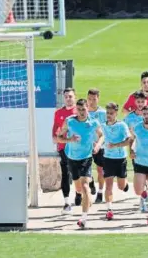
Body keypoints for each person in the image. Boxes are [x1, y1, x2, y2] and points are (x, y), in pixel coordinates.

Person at [57, 99, 104, 229]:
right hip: (72, 158)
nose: (82, 112)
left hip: (86, 158)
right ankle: (85, 196)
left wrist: (98, 145)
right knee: (78, 189)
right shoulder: (70, 121)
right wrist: (69, 139)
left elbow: (101, 135)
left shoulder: (93, 122)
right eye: (79, 110)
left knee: (85, 187)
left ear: (87, 108)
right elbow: (59, 137)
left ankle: (83, 218)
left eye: (84, 109)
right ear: (76, 110)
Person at [101, 102, 131, 220]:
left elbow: (129, 140)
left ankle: (125, 184)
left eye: (111, 113)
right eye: (107, 113)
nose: (109, 115)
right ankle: (109, 209)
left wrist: (116, 145)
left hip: (120, 159)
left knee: (121, 186)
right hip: (108, 159)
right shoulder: (103, 125)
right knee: (108, 185)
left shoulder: (122, 125)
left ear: (116, 113)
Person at [52, 87, 77, 214]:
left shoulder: (80, 111)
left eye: (70, 96)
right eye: (66, 96)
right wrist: (67, 141)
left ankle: (80, 193)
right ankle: (67, 202)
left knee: (79, 174)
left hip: (79, 149)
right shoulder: (58, 114)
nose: (68, 99)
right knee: (66, 173)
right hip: (64, 149)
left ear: (75, 97)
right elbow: (55, 137)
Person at [124, 91, 148, 212]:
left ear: (146, 101)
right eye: (138, 102)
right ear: (135, 102)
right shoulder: (129, 118)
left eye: (142, 102)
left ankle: (147, 195)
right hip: (137, 151)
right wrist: (130, 150)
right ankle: (144, 197)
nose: (140, 104)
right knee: (140, 175)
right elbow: (128, 137)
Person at [87, 88, 107, 203]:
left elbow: (106, 129)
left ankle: (100, 192)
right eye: (89, 99)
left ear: (98, 99)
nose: (91, 102)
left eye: (94, 99)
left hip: (100, 146)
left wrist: (100, 143)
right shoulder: (83, 112)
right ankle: (91, 183)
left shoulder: (103, 113)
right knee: (86, 171)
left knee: (100, 170)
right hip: (86, 147)